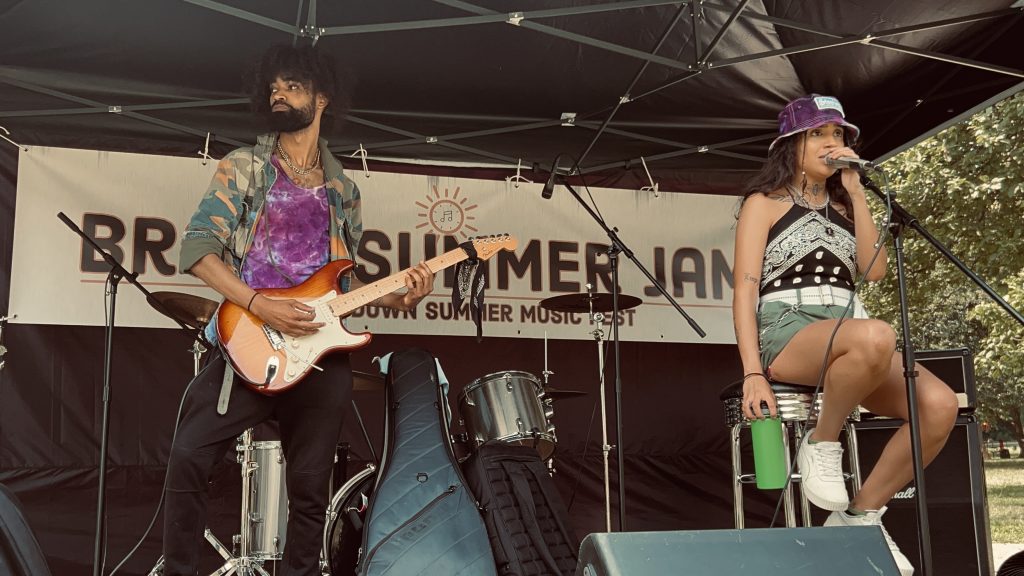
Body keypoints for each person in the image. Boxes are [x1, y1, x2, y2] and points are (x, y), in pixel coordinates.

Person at [163, 44, 434, 576]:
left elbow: (342, 282)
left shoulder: (344, 191)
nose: (278, 94)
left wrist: (400, 296)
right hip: (249, 340)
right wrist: (262, 305)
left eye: (291, 85)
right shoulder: (245, 167)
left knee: (311, 490)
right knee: (188, 458)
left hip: (316, 357)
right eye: (274, 88)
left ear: (322, 96)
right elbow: (196, 250)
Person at [731, 94, 958, 576]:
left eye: (838, 135)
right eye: (819, 134)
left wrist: (856, 193)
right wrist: (752, 371)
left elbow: (873, 271)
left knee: (939, 406)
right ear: (790, 144)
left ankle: (857, 517)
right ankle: (822, 442)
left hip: (853, 331)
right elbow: (744, 292)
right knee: (876, 335)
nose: (832, 143)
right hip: (788, 329)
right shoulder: (763, 204)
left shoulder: (845, 204)